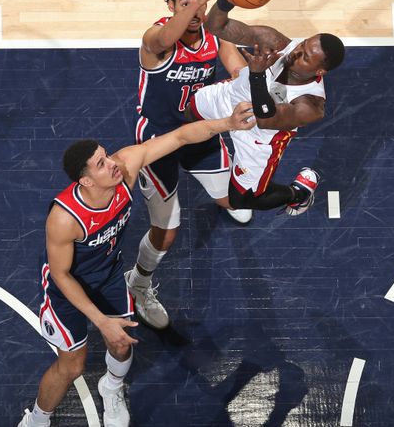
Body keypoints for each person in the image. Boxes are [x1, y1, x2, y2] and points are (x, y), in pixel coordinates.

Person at [18, 102, 255, 427]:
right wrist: (101, 320)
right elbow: (60, 274)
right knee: (72, 367)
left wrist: (228, 122)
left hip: (111, 275)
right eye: (101, 164)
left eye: (107, 154)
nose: (113, 163)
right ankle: (38, 419)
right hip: (68, 289)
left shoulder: (126, 167)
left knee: (121, 343)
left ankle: (111, 387)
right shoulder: (64, 219)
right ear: (85, 181)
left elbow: (181, 137)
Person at [125, 0, 253, 331]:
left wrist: (251, 83)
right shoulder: (155, 38)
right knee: (166, 233)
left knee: (235, 198)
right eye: (186, 3)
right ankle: (138, 284)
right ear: (171, 5)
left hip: (200, 131)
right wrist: (199, 4)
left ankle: (223, 199)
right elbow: (165, 36)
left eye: (200, 3)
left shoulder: (215, 35)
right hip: (158, 140)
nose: (197, 11)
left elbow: (237, 69)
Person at [185, 0, 346, 214]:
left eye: (306, 57)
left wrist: (258, 73)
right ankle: (206, 153)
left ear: (319, 71)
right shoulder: (277, 42)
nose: (296, 53)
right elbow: (215, 27)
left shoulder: (310, 105)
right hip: (232, 97)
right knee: (187, 113)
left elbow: (266, 119)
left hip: (259, 137)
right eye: (302, 45)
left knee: (242, 201)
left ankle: (298, 194)